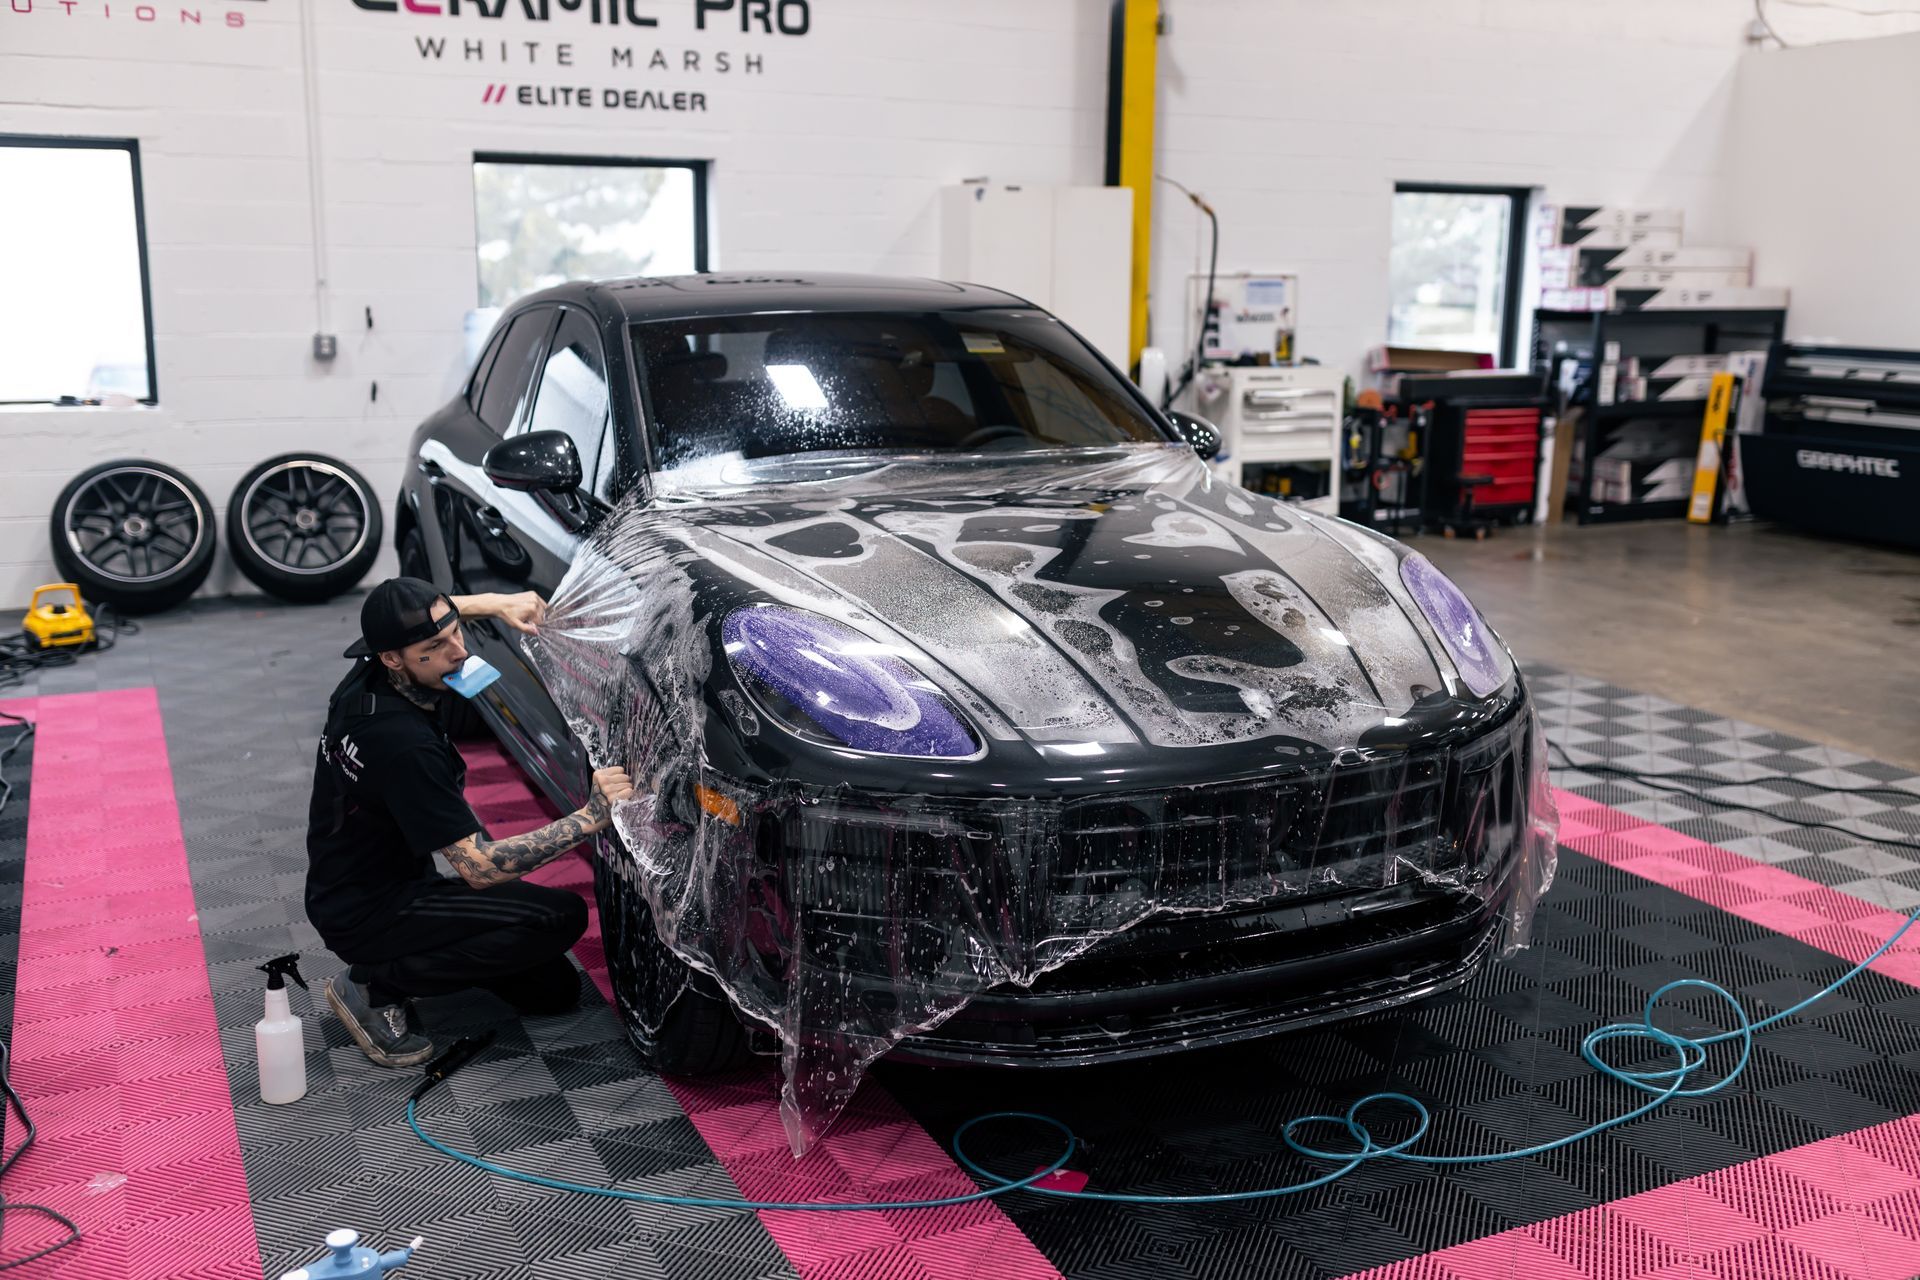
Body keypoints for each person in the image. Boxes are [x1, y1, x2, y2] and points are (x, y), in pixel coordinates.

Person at [306, 576, 632, 1067]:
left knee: (554, 992)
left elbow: (431, 618)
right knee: (560, 917)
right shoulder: (402, 743)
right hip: (370, 910)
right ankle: (372, 984)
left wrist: (496, 603)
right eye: (435, 647)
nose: (457, 652)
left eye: (456, 632)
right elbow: (479, 868)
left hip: (366, 877)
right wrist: (590, 817)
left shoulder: (367, 676)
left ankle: (435, 958)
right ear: (393, 657)